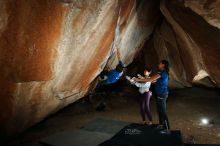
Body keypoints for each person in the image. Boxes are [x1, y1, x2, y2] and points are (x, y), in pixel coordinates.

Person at [133, 60, 170, 134]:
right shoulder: (161, 73)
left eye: (160, 63)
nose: (158, 64)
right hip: (159, 94)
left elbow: (150, 79)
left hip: (162, 94)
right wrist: (143, 78)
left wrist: (137, 79)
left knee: (163, 111)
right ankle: (161, 125)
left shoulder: (163, 73)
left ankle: (167, 129)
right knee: (159, 110)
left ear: (163, 65)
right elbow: (152, 81)